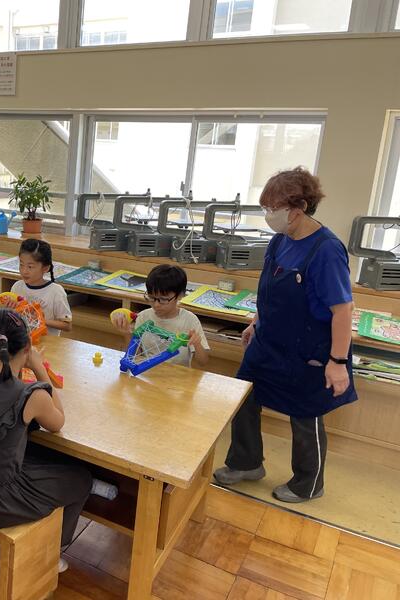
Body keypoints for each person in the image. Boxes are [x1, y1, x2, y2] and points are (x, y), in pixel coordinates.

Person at [214, 167, 357, 503]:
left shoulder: (326, 250)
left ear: (299, 208)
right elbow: (271, 290)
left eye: (274, 208)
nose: (269, 215)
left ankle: (309, 483)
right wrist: (256, 322)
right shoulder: (280, 241)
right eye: (265, 207)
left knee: (305, 415)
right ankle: (246, 462)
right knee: (244, 397)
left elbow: (343, 310)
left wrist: (337, 362)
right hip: (269, 341)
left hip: (309, 349)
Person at [0, 308, 92, 573]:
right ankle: (50, 553)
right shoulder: (31, 395)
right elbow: (58, 423)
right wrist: (39, 367)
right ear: (27, 348)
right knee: (81, 479)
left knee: (25, 452)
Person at [112, 264, 210, 368]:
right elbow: (136, 356)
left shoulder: (190, 320)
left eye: (163, 299)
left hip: (176, 374)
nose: (156, 304)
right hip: (146, 371)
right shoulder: (144, 316)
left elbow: (203, 362)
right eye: (151, 297)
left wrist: (197, 344)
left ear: (180, 295)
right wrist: (127, 333)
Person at [9, 239, 72, 336]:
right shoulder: (17, 287)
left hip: (47, 341)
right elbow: (12, 319)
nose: (24, 271)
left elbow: (67, 325)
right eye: (21, 265)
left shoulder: (56, 292)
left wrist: (41, 320)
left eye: (30, 267)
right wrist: (9, 310)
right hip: (21, 340)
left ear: (45, 268)